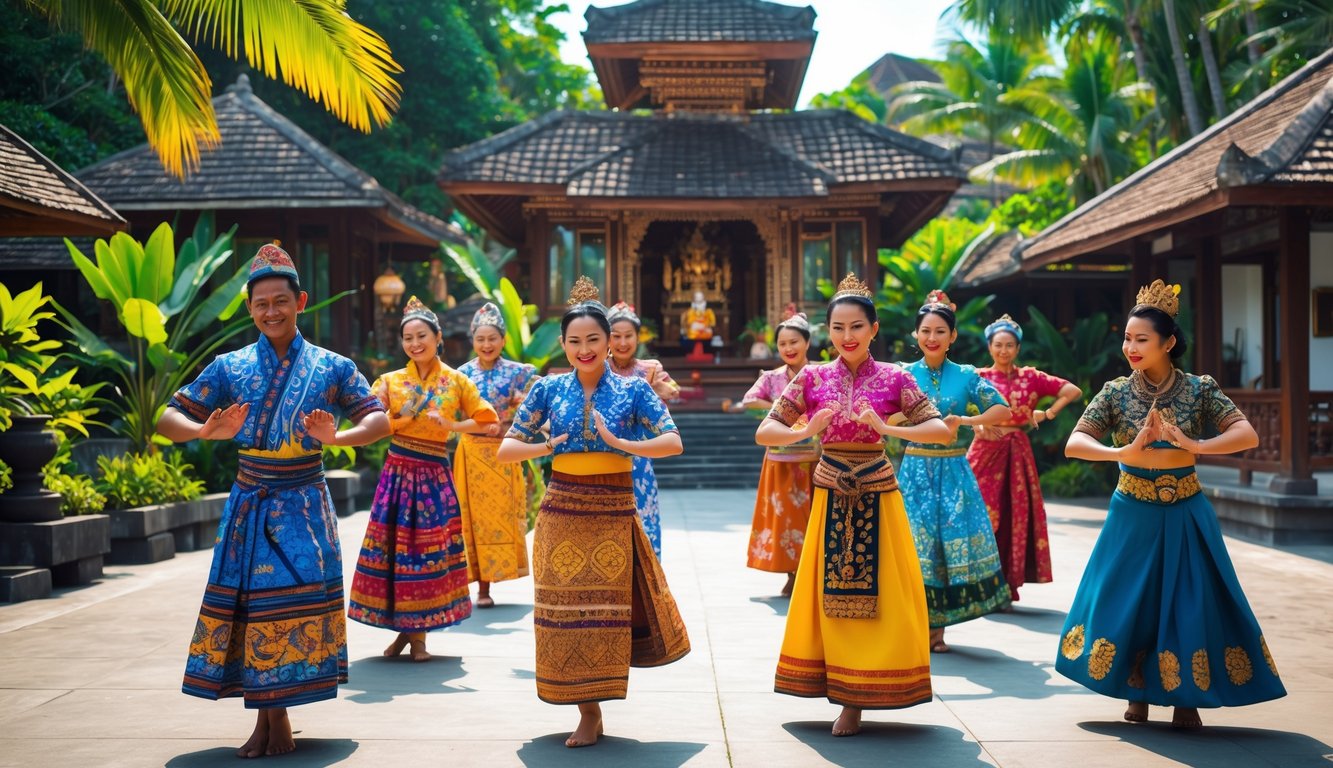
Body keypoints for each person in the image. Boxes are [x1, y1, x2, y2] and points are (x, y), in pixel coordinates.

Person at [156, 243, 391, 759]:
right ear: (249, 308)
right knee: (253, 608)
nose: (271, 312)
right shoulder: (229, 366)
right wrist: (205, 431)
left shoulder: (332, 366)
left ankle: (275, 721)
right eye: (261, 304)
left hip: (304, 503)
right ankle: (272, 721)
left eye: (280, 301)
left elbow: (378, 419)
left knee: (289, 603)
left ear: (300, 300)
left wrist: (339, 441)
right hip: (249, 503)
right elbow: (166, 418)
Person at [1058, 279, 1285, 728]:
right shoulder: (1116, 392)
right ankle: (1135, 692)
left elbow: (1247, 435)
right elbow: (1075, 442)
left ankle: (1187, 698)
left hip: (1185, 509)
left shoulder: (1199, 389)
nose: (1131, 347)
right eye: (1127, 337)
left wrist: (1193, 443)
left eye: (1142, 339)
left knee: (1190, 601)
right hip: (1133, 511)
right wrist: (1120, 453)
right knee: (1130, 601)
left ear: (1169, 342)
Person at [496, 276, 690, 748]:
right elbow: (505, 449)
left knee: (605, 612)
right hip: (562, 508)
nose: (585, 349)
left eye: (594, 340)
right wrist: (546, 444)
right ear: (562, 344)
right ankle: (587, 709)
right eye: (575, 341)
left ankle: (596, 704)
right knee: (565, 611)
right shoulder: (546, 389)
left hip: (611, 508)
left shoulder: (634, 390)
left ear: (610, 343)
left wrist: (623, 443)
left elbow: (673, 442)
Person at [757, 273, 952, 737]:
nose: (847, 337)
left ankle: (866, 690)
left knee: (881, 597)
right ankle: (843, 694)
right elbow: (765, 431)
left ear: (874, 329)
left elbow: (940, 430)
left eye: (857, 327)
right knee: (831, 599)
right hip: (829, 495)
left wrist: (890, 431)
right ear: (828, 332)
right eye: (839, 328)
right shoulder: (813, 376)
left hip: (878, 495)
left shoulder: (895, 377)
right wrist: (805, 432)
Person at [347, 296, 498, 661]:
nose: (415, 344)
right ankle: (409, 635)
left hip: (433, 477)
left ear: (437, 336)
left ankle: (415, 638)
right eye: (408, 338)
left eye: (422, 336)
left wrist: (452, 426)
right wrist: (400, 420)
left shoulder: (457, 380)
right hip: (398, 474)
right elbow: (364, 420)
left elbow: (489, 421)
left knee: (425, 553)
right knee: (396, 554)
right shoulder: (390, 381)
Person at [899, 290, 1014, 653]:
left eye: (940, 332)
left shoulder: (966, 375)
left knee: (947, 545)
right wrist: (908, 419)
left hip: (952, 469)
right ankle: (915, 623)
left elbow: (1002, 409)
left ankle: (939, 630)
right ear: (916, 335)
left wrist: (966, 420)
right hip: (914, 469)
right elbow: (883, 415)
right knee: (916, 545)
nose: (932, 338)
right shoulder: (902, 375)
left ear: (953, 337)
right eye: (925, 331)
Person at [968, 314, 1083, 603]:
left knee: (1013, 517)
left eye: (1009, 345)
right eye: (998, 345)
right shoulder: (978, 377)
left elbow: (1072, 390)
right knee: (978, 513)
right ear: (989, 347)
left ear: (1018, 348)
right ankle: (978, 583)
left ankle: (1007, 584)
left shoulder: (1030, 377)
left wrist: (1047, 412)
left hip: (1016, 451)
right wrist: (977, 423)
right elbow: (953, 407)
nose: (1003, 351)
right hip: (984, 450)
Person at [455, 302, 540, 608]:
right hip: (471, 454)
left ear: (503, 340)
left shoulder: (521, 374)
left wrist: (506, 422)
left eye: (493, 339)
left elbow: (531, 412)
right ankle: (481, 587)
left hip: (504, 451)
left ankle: (498, 574)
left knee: (502, 516)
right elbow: (449, 412)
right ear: (473, 342)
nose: (487, 345)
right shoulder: (460, 376)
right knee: (471, 518)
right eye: (481, 339)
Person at [737, 304, 818, 596]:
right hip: (781, 457)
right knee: (785, 519)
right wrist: (779, 407)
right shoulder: (772, 377)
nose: (788, 347)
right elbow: (748, 400)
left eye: (794, 341)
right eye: (782, 343)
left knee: (813, 516)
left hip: (815, 457)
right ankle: (792, 572)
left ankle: (811, 571)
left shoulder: (821, 373)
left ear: (807, 342)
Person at [607, 300, 680, 558]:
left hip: (639, 456)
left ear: (638, 337)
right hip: (603, 454)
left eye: (629, 336)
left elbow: (674, 391)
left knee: (643, 518)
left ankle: (646, 582)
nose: (622, 342)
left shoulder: (650, 369)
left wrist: (661, 391)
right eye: (616, 336)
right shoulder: (597, 368)